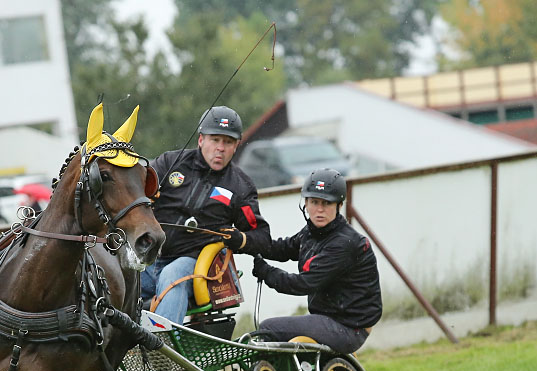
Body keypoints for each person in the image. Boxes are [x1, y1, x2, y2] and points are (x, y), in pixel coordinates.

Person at [142, 105, 271, 322]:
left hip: (193, 264)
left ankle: (161, 351)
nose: (220, 148)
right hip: (149, 258)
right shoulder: (169, 163)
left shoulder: (241, 186)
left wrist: (240, 240)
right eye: (215, 140)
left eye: (228, 142)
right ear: (201, 139)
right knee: (114, 278)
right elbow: (135, 191)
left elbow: (263, 238)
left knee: (172, 276)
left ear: (236, 146)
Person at [251, 168, 382, 354]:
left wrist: (266, 272)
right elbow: (284, 248)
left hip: (349, 328)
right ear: (305, 203)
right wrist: (246, 242)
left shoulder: (343, 243)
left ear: (339, 205)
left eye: (327, 203)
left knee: (268, 328)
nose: (319, 210)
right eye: (314, 202)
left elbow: (303, 284)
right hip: (329, 320)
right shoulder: (313, 232)